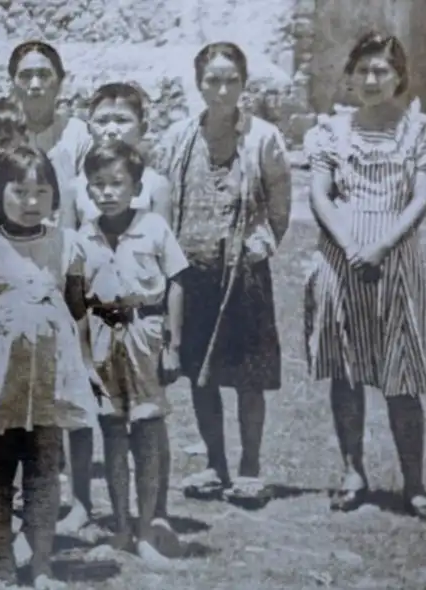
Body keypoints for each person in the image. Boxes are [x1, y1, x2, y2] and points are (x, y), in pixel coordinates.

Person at [154, 41, 291, 507]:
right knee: (201, 375)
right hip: (193, 276)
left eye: (232, 79)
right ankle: (216, 463)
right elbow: (165, 200)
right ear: (199, 83)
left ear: (243, 83)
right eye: (213, 79)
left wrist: (260, 246)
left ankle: (250, 468)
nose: (222, 88)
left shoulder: (264, 138)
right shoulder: (178, 137)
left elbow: (279, 204)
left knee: (249, 375)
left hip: (245, 277)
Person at [0, 144, 99, 590]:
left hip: (52, 375)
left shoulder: (65, 243)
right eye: (20, 190)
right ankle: (3, 562)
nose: (31, 200)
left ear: (55, 196)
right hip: (1, 377)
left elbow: (77, 312)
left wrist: (88, 366)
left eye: (41, 191)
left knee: (43, 465)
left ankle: (41, 564)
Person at [305, 32, 426, 518]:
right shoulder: (331, 131)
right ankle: (353, 470)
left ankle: (415, 481)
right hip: (342, 261)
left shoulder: (417, 131)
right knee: (347, 370)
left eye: (382, 71)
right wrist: (352, 246)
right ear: (350, 77)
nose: (372, 80)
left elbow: (421, 197)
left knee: (402, 377)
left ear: (398, 77)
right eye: (363, 71)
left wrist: (381, 246)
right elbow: (319, 194)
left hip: (396, 262)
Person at [80, 143, 186, 563]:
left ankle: (146, 529)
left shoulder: (155, 227)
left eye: (117, 183)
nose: (108, 192)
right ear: (88, 189)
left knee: (145, 429)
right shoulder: (83, 234)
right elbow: (76, 296)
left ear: (136, 187)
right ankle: (121, 527)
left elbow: (177, 283)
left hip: (145, 333)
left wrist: (173, 346)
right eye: (99, 184)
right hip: (102, 334)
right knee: (111, 431)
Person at [7, 41, 95, 231]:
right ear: (12, 84)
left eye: (44, 75)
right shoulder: (1, 134)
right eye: (25, 76)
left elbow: (91, 204)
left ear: (60, 83)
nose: (35, 85)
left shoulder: (79, 135)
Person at [80, 82, 173, 227]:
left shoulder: (155, 185)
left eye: (122, 120)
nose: (111, 130)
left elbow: (163, 242)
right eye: (102, 121)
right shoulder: (77, 186)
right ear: (89, 128)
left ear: (142, 129)